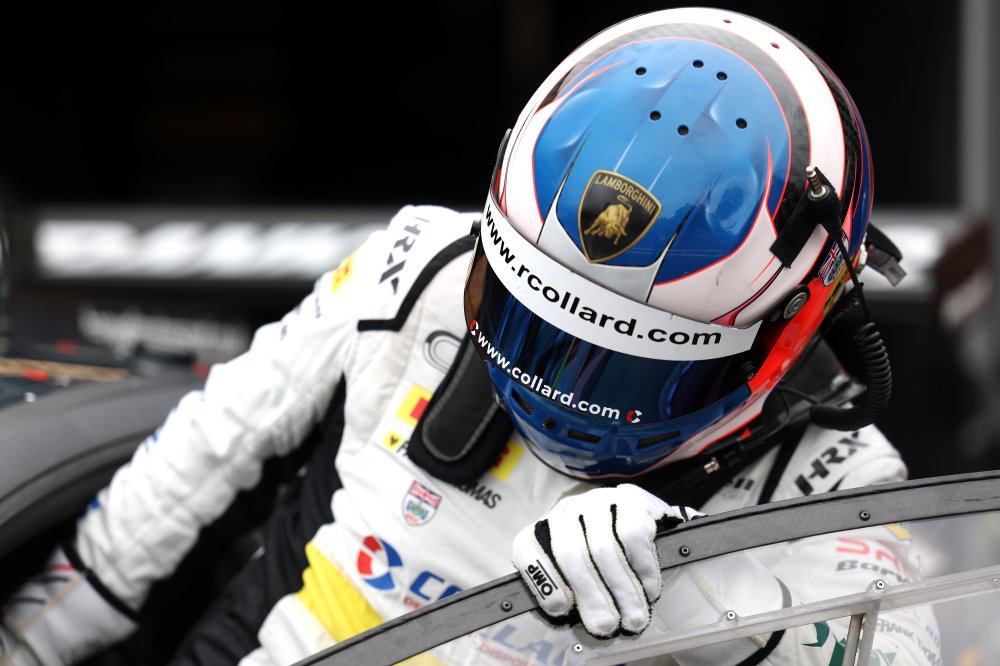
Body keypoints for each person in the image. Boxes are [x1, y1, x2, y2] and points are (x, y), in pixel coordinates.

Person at [0, 7, 939, 665]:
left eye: (631, 366)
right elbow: (186, 470)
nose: (566, 387)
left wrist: (698, 595)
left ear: (791, 326)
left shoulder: (838, 480)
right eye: (534, 320)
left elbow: (895, 647)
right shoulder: (416, 269)